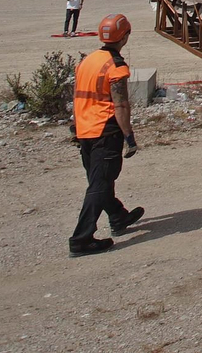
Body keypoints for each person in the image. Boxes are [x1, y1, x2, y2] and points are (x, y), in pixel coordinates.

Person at [68, 13, 144, 257]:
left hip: (84, 130)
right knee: (100, 184)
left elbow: (78, 96)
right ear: (125, 37)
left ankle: (118, 216)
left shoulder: (88, 61)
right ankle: (81, 239)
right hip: (105, 130)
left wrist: (75, 127)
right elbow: (120, 105)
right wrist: (129, 137)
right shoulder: (116, 67)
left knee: (100, 180)